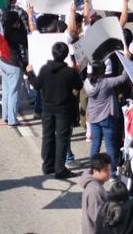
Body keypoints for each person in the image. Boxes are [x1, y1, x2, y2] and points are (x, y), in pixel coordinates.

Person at [35, 40, 82, 178]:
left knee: (47, 136)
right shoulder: (69, 73)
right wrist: (77, 72)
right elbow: (78, 86)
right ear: (66, 55)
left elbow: (37, 85)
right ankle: (60, 169)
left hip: (48, 108)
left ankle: (47, 165)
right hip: (63, 110)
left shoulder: (44, 69)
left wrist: (31, 73)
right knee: (62, 139)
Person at [80, 154, 112, 234]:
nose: (109, 173)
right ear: (95, 171)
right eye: (105, 170)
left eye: (109, 170)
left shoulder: (93, 183)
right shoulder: (95, 190)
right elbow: (98, 218)